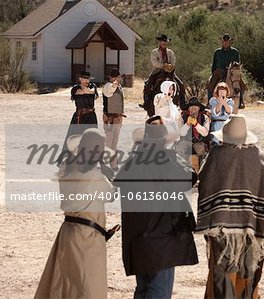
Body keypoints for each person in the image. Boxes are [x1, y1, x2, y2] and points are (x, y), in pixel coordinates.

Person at [196, 114, 264, 298]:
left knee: (223, 271)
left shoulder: (217, 155)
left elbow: (205, 184)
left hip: (221, 226)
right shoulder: (256, 155)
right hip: (250, 227)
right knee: (248, 270)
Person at [114, 121, 198, 299]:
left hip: (138, 239)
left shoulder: (132, 161)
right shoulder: (166, 159)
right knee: (158, 291)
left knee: (143, 289)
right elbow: (189, 178)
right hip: (161, 240)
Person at [35, 128, 116, 299]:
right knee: (88, 289)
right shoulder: (94, 175)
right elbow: (110, 195)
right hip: (87, 237)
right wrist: (107, 172)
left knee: (65, 286)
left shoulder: (68, 168)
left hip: (68, 231)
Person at [58, 70, 99, 164]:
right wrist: (86, 91)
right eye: (84, 78)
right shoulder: (75, 88)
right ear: (80, 78)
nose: (86, 80)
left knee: (92, 137)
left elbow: (92, 92)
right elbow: (80, 92)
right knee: (74, 137)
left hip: (91, 116)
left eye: (88, 78)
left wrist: (88, 91)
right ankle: (69, 159)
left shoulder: (93, 86)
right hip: (79, 116)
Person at [209, 34, 245, 108]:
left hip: (232, 71)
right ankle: (209, 102)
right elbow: (214, 63)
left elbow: (237, 64)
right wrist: (213, 72)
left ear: (229, 42)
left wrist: (233, 67)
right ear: (222, 42)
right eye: (224, 41)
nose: (225, 43)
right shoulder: (217, 52)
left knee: (242, 84)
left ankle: (241, 101)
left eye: (227, 42)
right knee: (210, 84)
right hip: (220, 71)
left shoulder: (235, 52)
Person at [179, 97, 210, 173]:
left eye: (196, 106)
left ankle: (201, 174)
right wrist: (187, 124)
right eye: (191, 107)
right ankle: (181, 172)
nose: (194, 108)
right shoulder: (183, 118)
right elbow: (181, 133)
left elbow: (205, 133)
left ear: (199, 108)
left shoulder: (204, 118)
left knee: (201, 151)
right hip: (186, 141)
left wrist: (196, 124)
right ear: (188, 109)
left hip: (199, 142)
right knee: (179, 150)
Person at [103, 67, 125, 170]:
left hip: (118, 118)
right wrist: (114, 85)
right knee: (108, 143)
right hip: (110, 119)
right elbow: (109, 92)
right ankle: (104, 164)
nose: (116, 79)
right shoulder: (108, 86)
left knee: (114, 142)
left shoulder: (120, 87)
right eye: (114, 77)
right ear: (110, 78)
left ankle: (113, 164)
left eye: (117, 77)